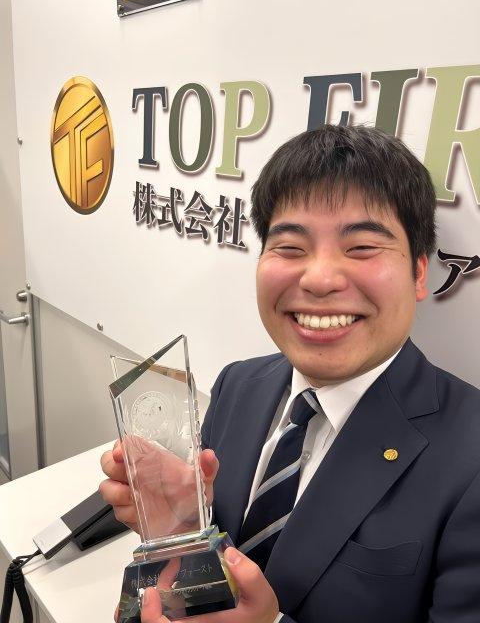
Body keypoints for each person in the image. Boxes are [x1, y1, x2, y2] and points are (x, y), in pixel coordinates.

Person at [100, 125, 480, 623]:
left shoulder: (470, 454)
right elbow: (219, 561)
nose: (319, 279)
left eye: (362, 247)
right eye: (290, 247)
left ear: (419, 273)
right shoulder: (238, 384)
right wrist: (185, 525)